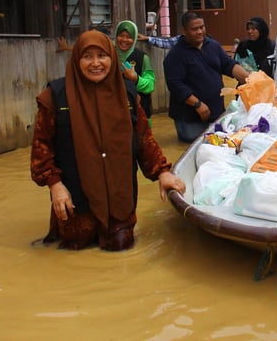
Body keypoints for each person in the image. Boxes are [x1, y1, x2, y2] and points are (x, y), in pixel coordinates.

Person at [31, 30, 185, 251]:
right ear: (77, 60)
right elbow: (41, 149)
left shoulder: (128, 95)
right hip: (76, 199)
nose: (95, 63)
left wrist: (163, 172)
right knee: (75, 248)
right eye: (87, 57)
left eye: (102, 56)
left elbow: (144, 140)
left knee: (121, 246)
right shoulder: (55, 97)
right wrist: (55, 186)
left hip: (120, 197)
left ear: (112, 59)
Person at [163, 12, 249, 142]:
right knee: (195, 145)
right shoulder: (175, 55)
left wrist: (249, 79)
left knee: (219, 142)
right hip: (190, 116)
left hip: (216, 111)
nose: (199, 32)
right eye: (194, 29)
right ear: (184, 31)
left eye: (202, 27)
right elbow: (175, 85)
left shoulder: (213, 45)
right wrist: (197, 104)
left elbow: (228, 64)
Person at [114, 20, 155, 123]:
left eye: (129, 37)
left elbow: (150, 85)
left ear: (135, 38)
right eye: (121, 35)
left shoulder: (142, 58)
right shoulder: (108, 56)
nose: (124, 40)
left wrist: (136, 79)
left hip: (139, 111)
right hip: (114, 110)